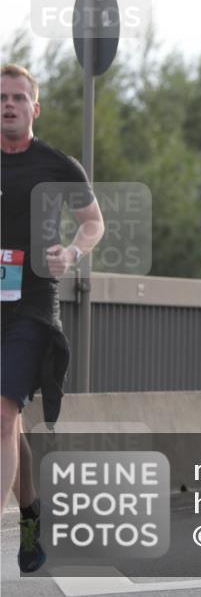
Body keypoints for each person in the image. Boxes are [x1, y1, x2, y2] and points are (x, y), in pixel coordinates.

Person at [2, 64, 105, 571]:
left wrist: (72, 253)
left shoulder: (57, 165)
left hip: (33, 303)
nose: (9, 105)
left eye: (19, 97)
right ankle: (30, 516)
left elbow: (94, 223)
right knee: (8, 421)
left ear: (34, 108)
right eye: (2, 97)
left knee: (3, 413)